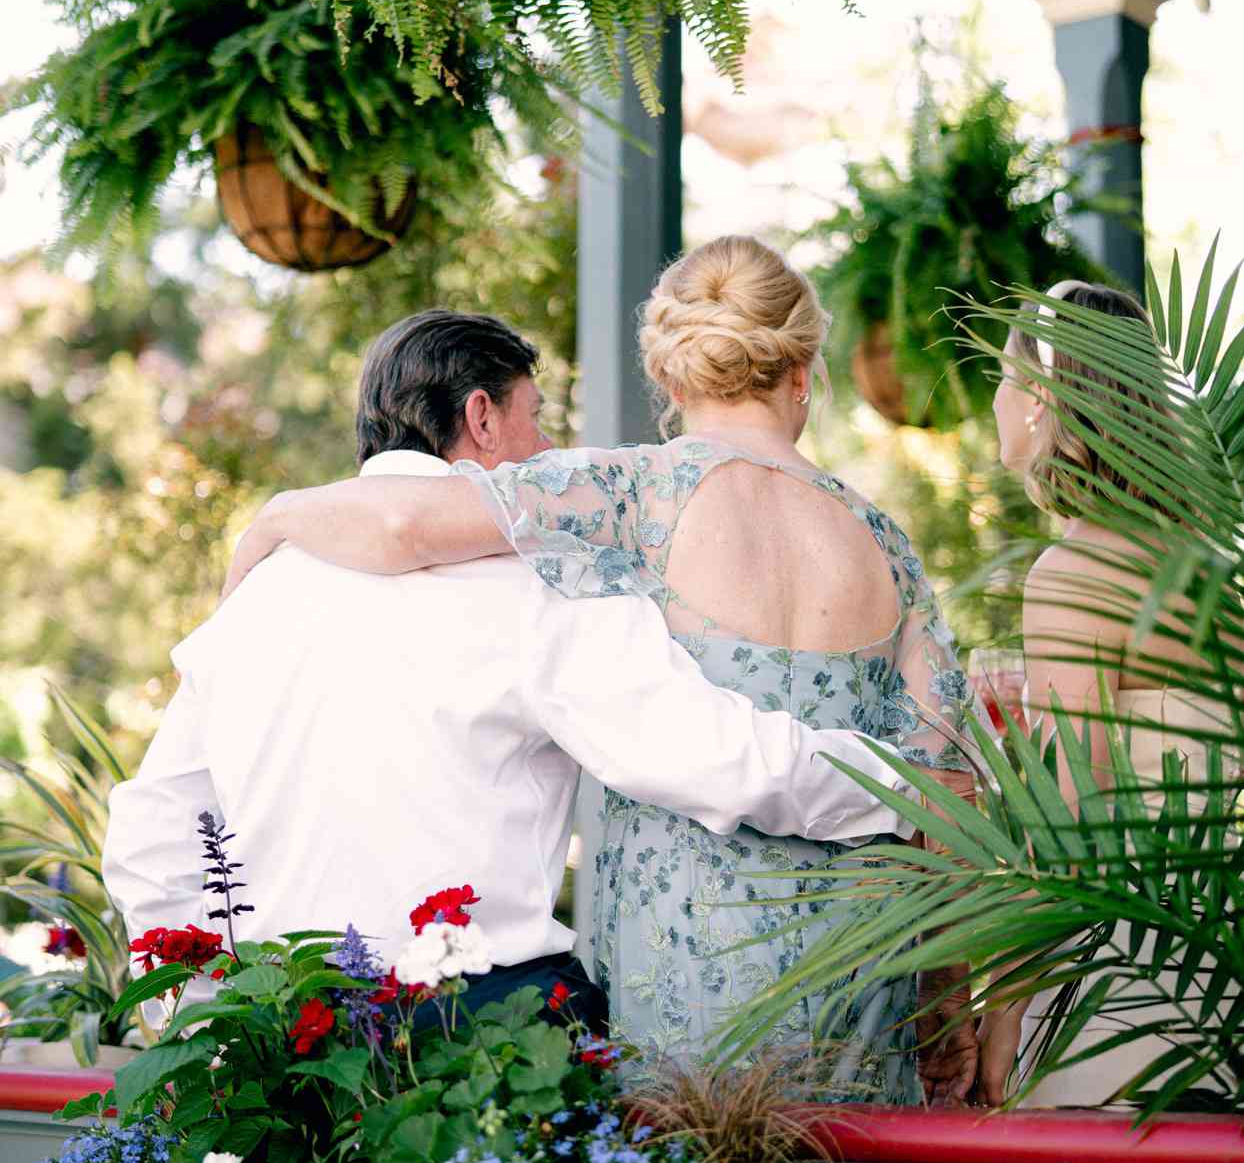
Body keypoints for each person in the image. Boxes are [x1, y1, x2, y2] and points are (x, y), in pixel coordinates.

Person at [221, 239, 981, 1149]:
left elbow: (400, 522)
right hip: (868, 976)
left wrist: (271, 518)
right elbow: (949, 783)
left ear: (670, 369)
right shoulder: (885, 542)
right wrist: (946, 1006)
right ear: (804, 371)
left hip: (687, 974)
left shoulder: (629, 492)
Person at [104, 307, 919, 1040]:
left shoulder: (256, 596)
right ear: (482, 417)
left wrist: (202, 1031)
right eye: (539, 422)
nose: (549, 456)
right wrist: (908, 788)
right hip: (482, 1043)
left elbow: (150, 833)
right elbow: (711, 755)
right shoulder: (546, 580)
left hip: (289, 1044)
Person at [975, 279, 1229, 1163]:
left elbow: (1071, 840)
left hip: (1134, 988)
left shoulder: (1073, 571)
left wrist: (996, 1016)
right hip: (1214, 958)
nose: (995, 396)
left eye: (1004, 370)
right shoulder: (1207, 562)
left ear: (1045, 397)